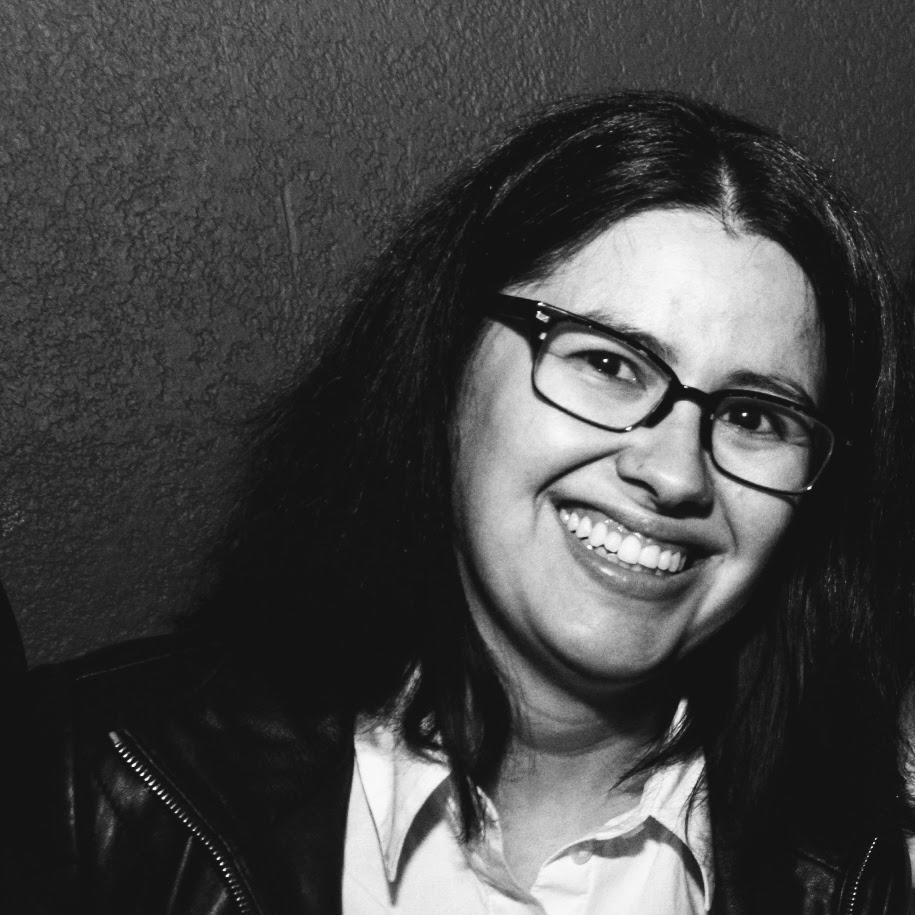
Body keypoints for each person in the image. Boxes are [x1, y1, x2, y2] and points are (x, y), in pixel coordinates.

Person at [5, 91, 914, 913]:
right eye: (608, 363)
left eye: (753, 416)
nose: (675, 473)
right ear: (446, 366)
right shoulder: (87, 777)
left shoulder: (869, 863)